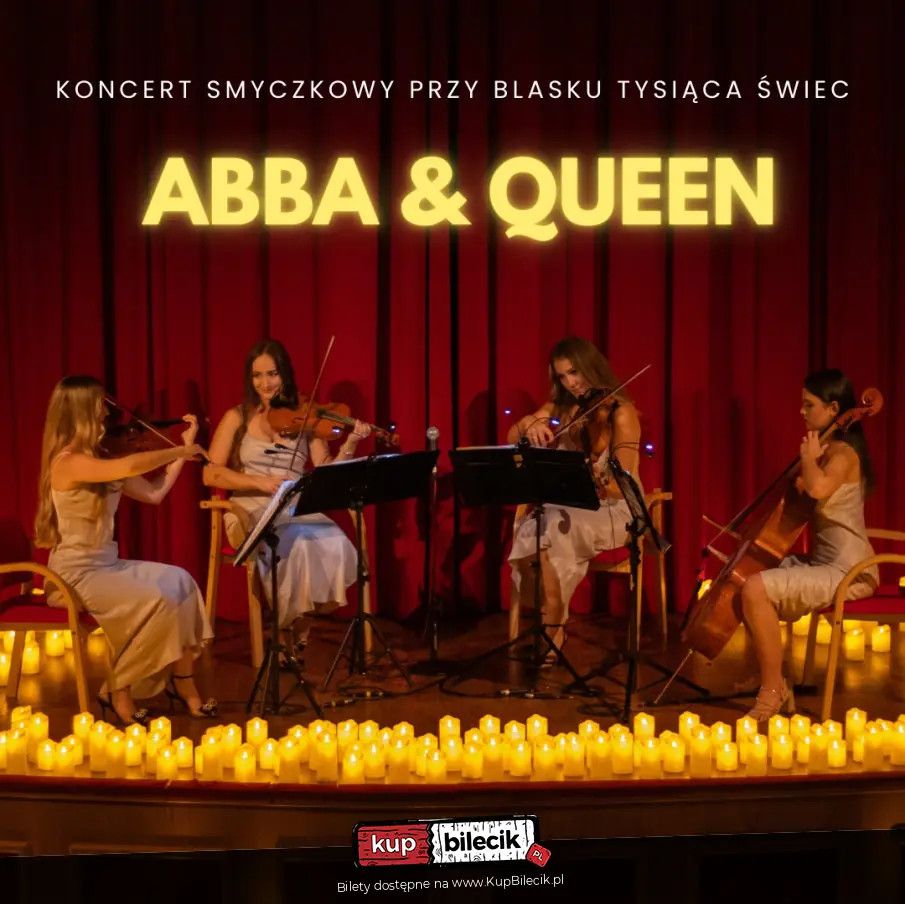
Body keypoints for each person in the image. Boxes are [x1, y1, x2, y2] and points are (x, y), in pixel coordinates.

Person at [34, 376, 216, 726]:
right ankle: (118, 688)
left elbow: (154, 493)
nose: (106, 413)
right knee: (156, 600)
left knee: (181, 582)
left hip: (105, 564)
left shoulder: (103, 457)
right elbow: (131, 466)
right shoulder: (68, 462)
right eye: (99, 405)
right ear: (80, 411)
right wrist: (179, 451)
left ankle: (182, 679)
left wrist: (183, 447)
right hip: (72, 575)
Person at [203, 339, 371, 661]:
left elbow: (326, 470)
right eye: (257, 375)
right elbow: (211, 474)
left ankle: (296, 622)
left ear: (285, 375)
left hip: (293, 505)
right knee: (293, 543)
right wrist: (260, 482)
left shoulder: (304, 416)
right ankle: (284, 632)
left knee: (332, 541)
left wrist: (350, 442)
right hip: (247, 507)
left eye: (272, 374)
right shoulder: (237, 416)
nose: (265, 383)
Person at [740, 369, 879, 722]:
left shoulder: (844, 454)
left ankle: (773, 690)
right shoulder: (829, 450)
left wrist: (807, 459)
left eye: (809, 405)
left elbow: (817, 489)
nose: (801, 411)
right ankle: (773, 676)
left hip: (849, 571)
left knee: (756, 589)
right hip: (824, 564)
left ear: (834, 409)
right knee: (748, 579)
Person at [506, 336, 642, 657]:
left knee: (551, 527)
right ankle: (554, 618)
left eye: (574, 372)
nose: (570, 383)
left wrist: (597, 478)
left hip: (613, 507)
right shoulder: (561, 407)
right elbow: (512, 436)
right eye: (562, 376)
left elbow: (621, 483)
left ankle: (553, 626)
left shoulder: (620, 412)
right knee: (541, 524)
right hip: (569, 506)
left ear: (590, 367)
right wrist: (529, 423)